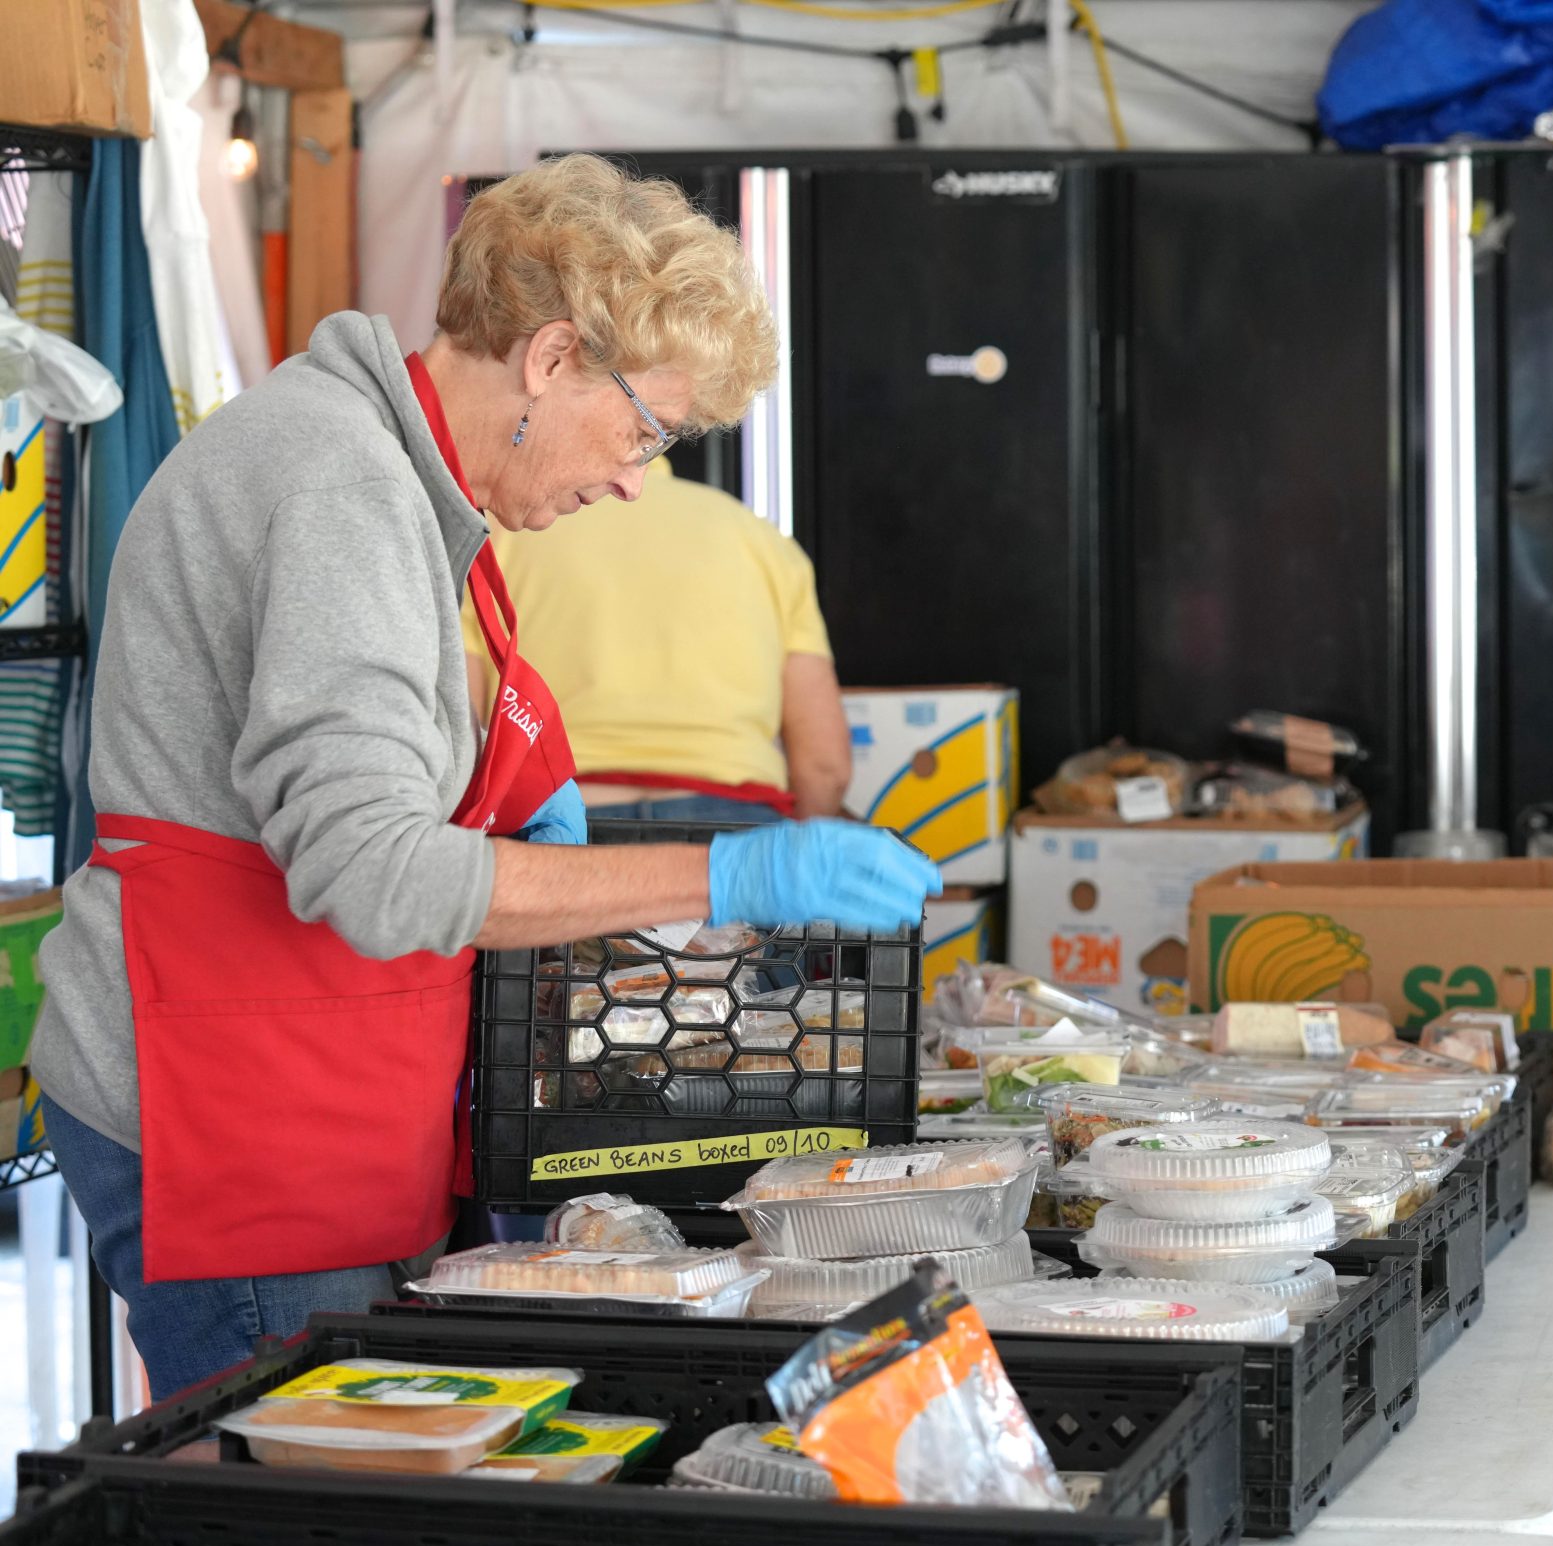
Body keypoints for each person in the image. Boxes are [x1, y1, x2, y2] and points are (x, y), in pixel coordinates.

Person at [27, 155, 938, 1397]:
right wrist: (733, 869)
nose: (633, 476)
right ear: (554, 358)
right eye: (643, 431)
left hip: (307, 1073)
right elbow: (367, 870)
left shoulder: (388, 474)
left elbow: (336, 681)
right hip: (231, 1103)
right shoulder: (344, 485)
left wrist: (516, 742)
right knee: (300, 1521)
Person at [472, 462, 850, 824]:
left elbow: (458, 726)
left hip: (558, 819)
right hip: (735, 827)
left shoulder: (503, 533)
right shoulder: (763, 541)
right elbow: (824, 767)